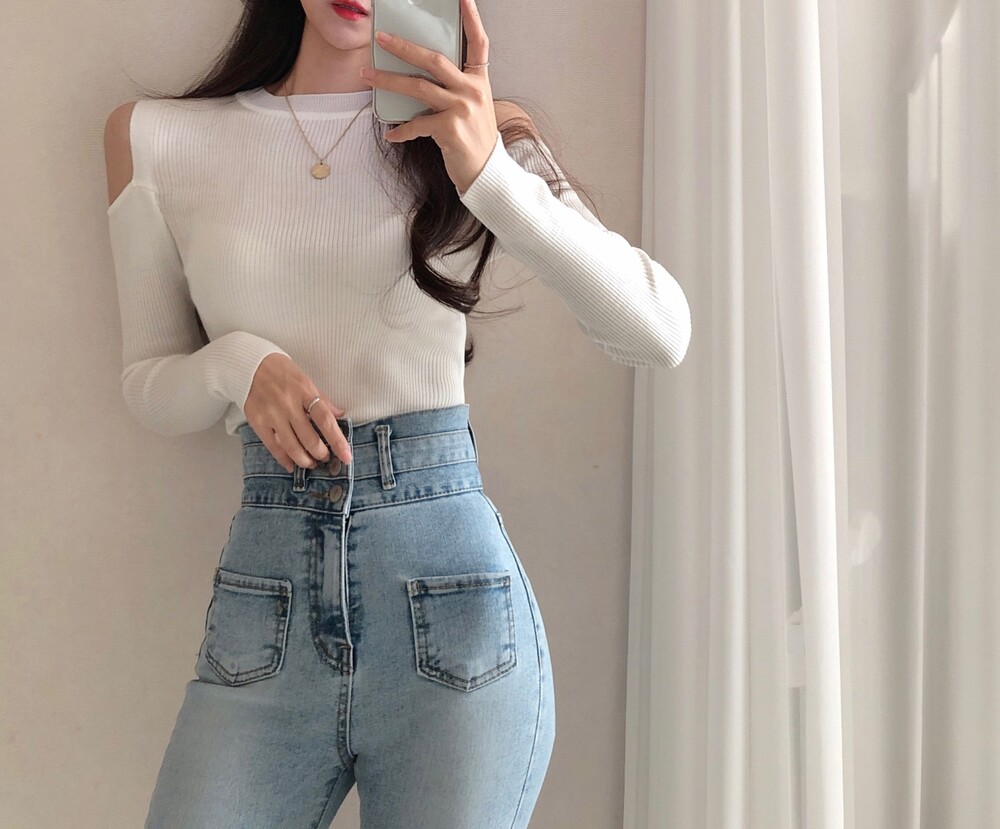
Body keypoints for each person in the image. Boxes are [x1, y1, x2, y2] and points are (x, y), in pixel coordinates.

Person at [104, 0, 692, 825]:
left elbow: (658, 332)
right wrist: (239, 364)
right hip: (263, 612)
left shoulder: (476, 132)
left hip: (450, 609)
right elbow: (150, 381)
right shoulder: (157, 139)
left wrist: (488, 174)